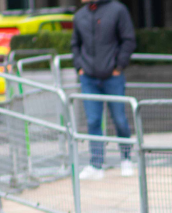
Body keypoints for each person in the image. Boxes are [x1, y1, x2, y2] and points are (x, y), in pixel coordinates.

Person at [71, 0, 136, 181]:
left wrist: (119, 66)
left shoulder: (117, 10)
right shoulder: (80, 15)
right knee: (93, 120)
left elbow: (128, 39)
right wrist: (79, 67)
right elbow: (75, 44)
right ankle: (96, 164)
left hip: (112, 77)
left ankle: (126, 159)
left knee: (120, 119)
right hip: (89, 78)